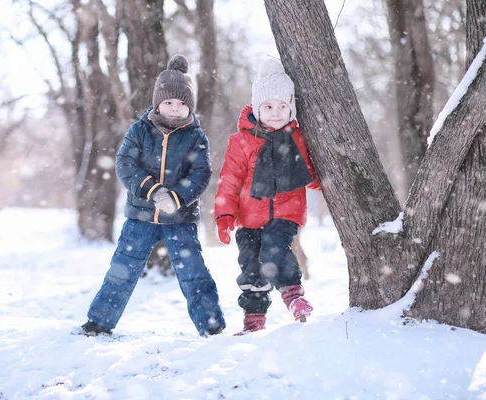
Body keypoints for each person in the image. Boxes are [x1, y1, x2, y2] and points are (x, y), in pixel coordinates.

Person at [78, 54, 226, 337]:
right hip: (140, 216)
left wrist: (177, 197)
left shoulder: (196, 137)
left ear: (190, 106)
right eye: (169, 102)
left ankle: (211, 325)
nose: (174, 108)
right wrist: (152, 189)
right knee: (122, 269)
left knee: (193, 272)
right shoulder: (140, 130)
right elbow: (124, 164)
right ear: (158, 102)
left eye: (182, 103)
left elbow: (201, 174)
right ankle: (99, 321)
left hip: (180, 220)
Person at [214, 58, 321, 336]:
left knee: (274, 248)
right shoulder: (241, 141)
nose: (275, 113)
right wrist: (224, 215)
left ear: (291, 108)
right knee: (251, 266)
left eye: (282, 106)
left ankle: (293, 296)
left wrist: (328, 185)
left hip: (286, 214)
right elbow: (229, 180)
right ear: (256, 108)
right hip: (248, 219)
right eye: (268, 107)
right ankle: (253, 321)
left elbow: (310, 170)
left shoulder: (297, 138)